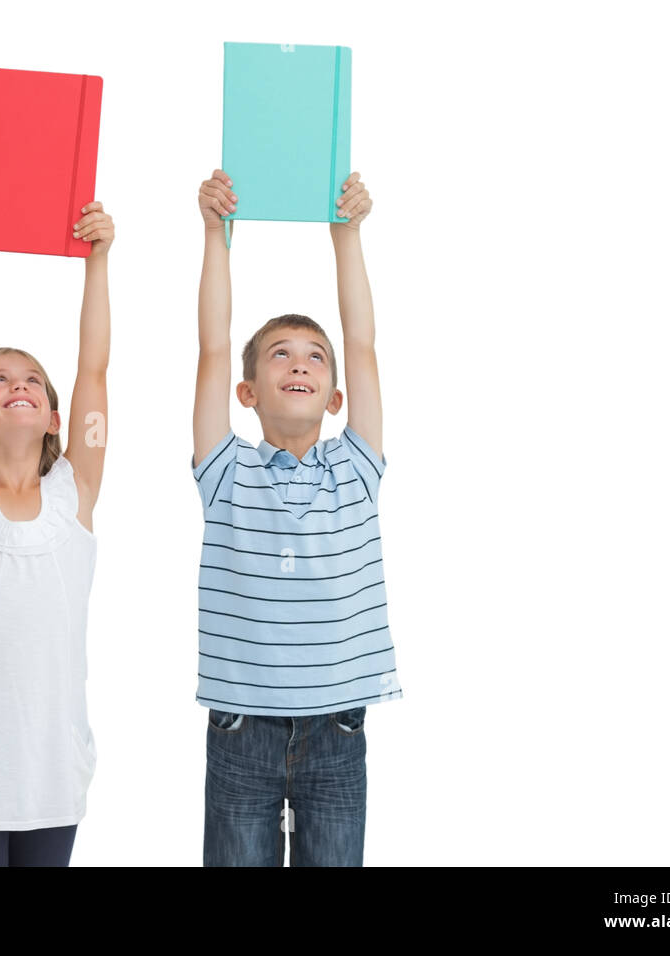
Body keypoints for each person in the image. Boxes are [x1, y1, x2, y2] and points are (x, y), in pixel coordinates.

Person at [191, 168, 403, 866]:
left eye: (315, 358)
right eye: (280, 355)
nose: (299, 364)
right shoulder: (226, 471)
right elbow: (213, 347)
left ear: (336, 396)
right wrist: (215, 237)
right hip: (239, 728)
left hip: (337, 730)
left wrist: (347, 238)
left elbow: (363, 342)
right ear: (248, 391)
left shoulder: (356, 466)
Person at [0, 190, 113, 866]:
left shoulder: (76, 493)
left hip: (52, 764)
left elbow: (93, 369)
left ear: (56, 418)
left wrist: (98, 263)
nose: (20, 383)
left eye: (33, 378)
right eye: (0, 379)